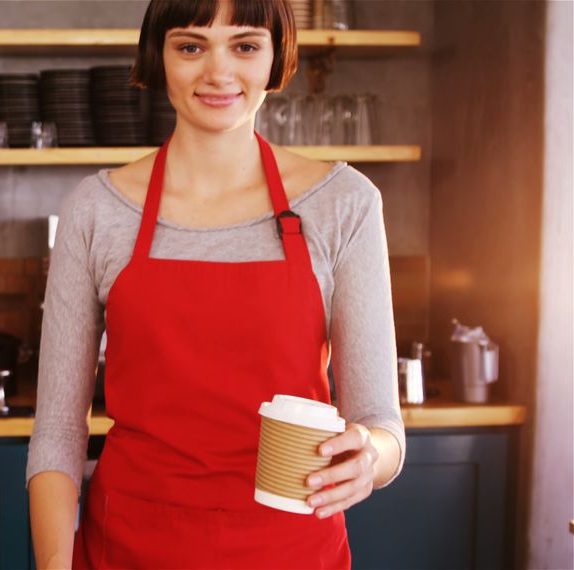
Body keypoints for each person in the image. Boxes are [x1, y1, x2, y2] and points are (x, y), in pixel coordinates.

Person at [26, 0, 406, 568]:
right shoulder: (96, 211)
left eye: (246, 46)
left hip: (289, 549)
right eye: (190, 46)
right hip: (129, 547)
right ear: (159, 57)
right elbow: (57, 430)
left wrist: (367, 459)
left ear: (276, 59)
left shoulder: (344, 205)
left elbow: (382, 426)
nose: (219, 73)